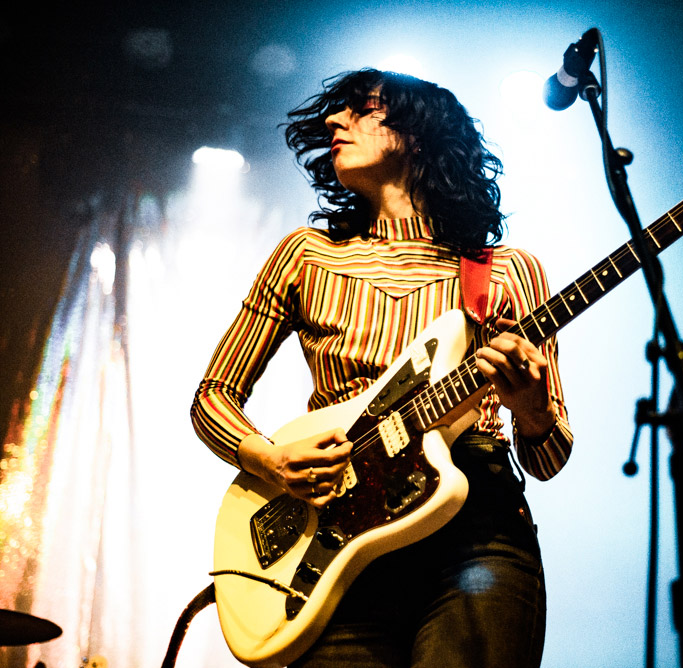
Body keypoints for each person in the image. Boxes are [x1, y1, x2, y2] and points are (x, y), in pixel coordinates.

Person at [191, 68, 573, 667]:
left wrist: (532, 410)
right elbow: (212, 395)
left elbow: (549, 459)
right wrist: (269, 459)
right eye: (336, 110)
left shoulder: (506, 271)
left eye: (361, 108)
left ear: (419, 135)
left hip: (476, 530)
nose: (334, 120)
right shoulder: (306, 257)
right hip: (337, 534)